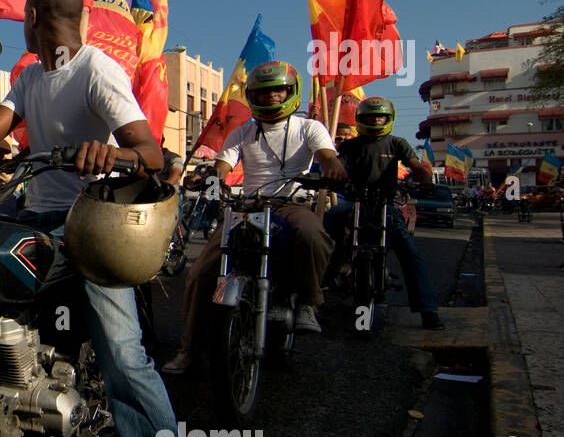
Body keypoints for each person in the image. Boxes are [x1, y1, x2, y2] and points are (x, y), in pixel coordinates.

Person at [0, 0, 210, 437]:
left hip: (90, 222)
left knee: (124, 357)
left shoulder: (97, 71)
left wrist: (109, 152)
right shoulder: (29, 78)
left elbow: (150, 153)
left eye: (25, 18)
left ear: (35, 19)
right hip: (36, 217)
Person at [162, 61, 347, 375]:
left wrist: (332, 166)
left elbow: (326, 155)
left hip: (292, 203)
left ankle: (308, 301)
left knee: (313, 234)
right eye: (264, 92)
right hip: (248, 206)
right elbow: (222, 165)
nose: (272, 96)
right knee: (200, 273)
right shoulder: (242, 132)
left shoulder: (309, 128)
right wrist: (211, 178)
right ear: (252, 96)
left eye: (279, 90)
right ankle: (189, 348)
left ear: (291, 92)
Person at [325, 97, 444, 330]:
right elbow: (337, 165)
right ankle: (322, 284)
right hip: (354, 201)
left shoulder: (397, 143)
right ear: (360, 119)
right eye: (370, 117)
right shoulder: (350, 146)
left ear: (389, 119)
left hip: (386, 204)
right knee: (329, 224)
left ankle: (428, 310)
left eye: (380, 117)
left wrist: (425, 179)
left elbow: (415, 165)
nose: (376, 120)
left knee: (410, 252)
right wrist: (330, 174)